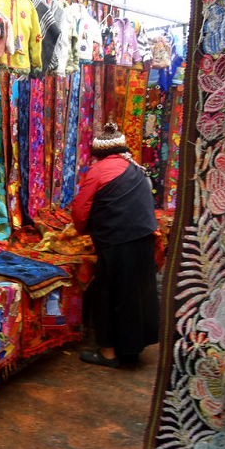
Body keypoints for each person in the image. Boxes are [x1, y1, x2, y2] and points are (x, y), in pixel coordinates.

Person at [70, 122, 159, 368]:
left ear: (98, 154)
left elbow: (80, 209)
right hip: (143, 238)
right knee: (135, 296)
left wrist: (81, 231)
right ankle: (131, 351)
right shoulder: (134, 168)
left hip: (117, 240)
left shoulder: (99, 171)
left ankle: (108, 353)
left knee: (108, 295)